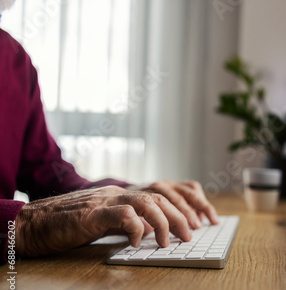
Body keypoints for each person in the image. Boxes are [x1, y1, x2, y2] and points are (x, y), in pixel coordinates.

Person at [0, 1, 219, 264]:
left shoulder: (13, 58)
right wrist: (23, 226)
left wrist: (129, 194)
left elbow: (49, 175)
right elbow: (37, 214)